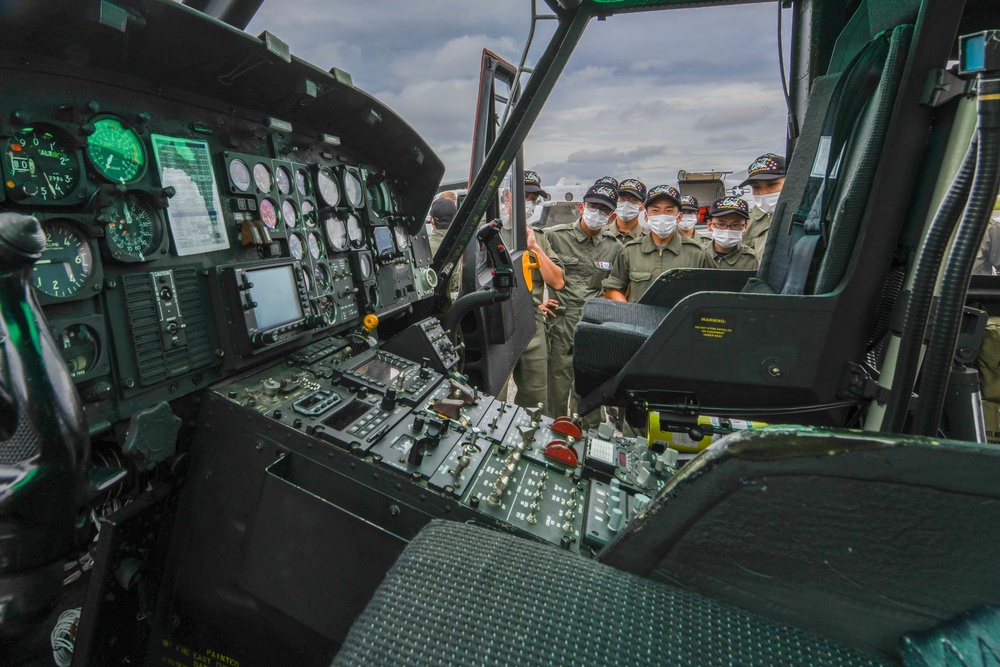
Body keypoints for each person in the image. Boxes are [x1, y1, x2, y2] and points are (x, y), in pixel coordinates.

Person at [545, 182, 622, 424]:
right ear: (581, 207)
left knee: (589, 390)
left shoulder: (615, 247)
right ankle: (552, 440)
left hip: (593, 324)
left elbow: (615, 287)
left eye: (604, 210)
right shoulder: (555, 237)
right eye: (593, 206)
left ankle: (590, 445)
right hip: (561, 322)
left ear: (612, 216)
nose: (598, 213)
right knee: (556, 387)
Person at [502, 172, 564, 415]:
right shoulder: (487, 233)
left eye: (532, 199)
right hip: (499, 322)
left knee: (535, 396)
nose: (527, 203)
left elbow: (557, 281)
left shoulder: (539, 237)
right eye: (522, 196)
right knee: (492, 395)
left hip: (532, 324)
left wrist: (534, 248)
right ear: (507, 196)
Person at [602, 184, 712, 303]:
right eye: (655, 210)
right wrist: (628, 312)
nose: (662, 216)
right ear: (646, 216)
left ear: (679, 217)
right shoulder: (630, 251)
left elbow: (713, 291)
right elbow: (614, 287)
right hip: (639, 320)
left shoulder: (697, 253)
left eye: (669, 211)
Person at [739, 153, 786, 261]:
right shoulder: (743, 221)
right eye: (756, 187)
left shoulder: (801, 218)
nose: (763, 193)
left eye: (772, 185)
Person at [705, 197, 758, 270]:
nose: (728, 230)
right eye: (721, 224)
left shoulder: (754, 261)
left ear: (745, 227)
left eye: (735, 225)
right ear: (709, 225)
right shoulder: (698, 255)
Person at [605, 178, 646, 244]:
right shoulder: (601, 234)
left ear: (643, 205)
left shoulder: (648, 239)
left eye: (633, 199)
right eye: (622, 198)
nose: (626, 203)